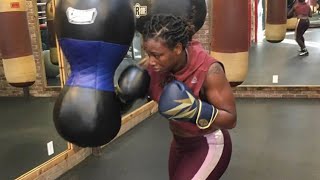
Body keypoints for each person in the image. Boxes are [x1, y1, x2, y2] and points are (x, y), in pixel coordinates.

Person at [140, 14, 237, 180]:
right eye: (148, 54)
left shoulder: (209, 71)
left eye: (157, 55)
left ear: (177, 48)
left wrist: (196, 110)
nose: (151, 61)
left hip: (208, 143)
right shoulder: (155, 66)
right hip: (179, 143)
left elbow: (231, 119)